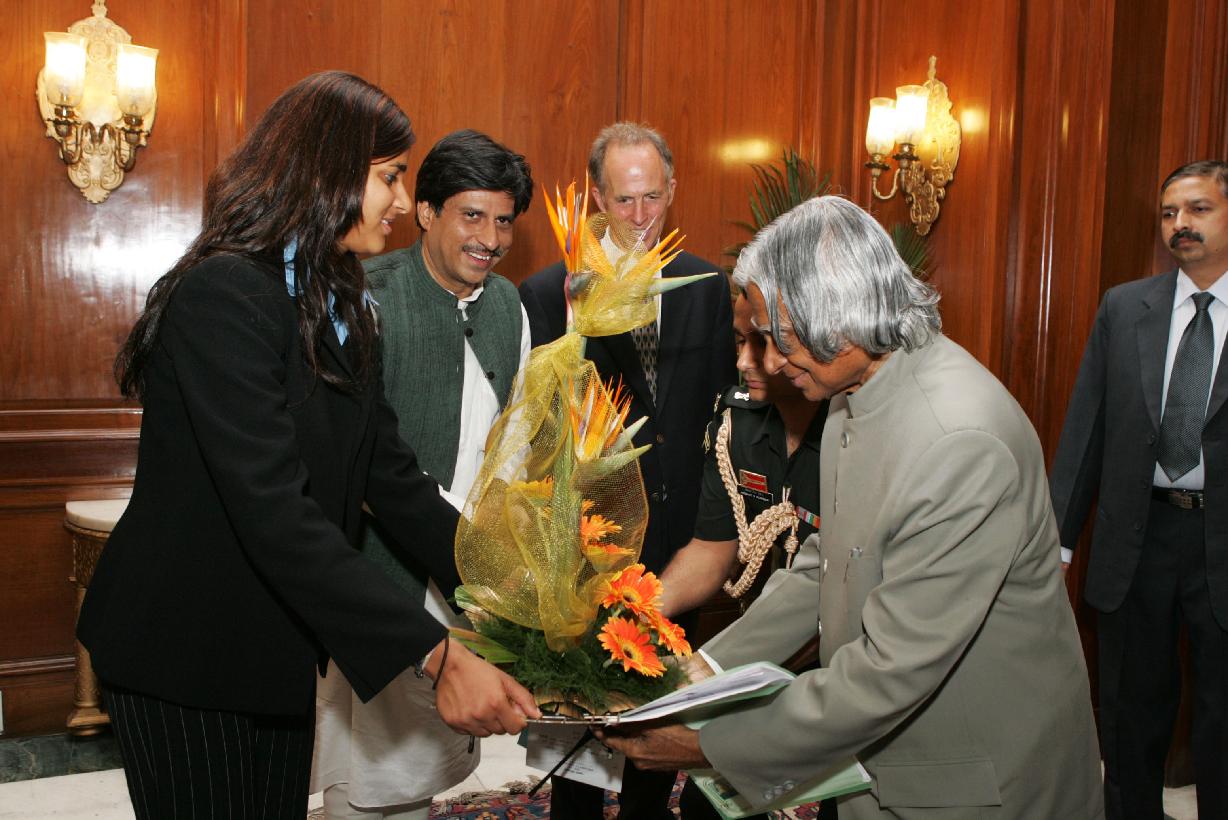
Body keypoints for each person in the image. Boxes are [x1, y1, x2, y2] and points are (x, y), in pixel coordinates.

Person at [77, 72, 539, 820]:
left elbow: (393, 479)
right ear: (329, 170)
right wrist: (437, 653)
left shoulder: (336, 300)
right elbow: (276, 513)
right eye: (390, 176)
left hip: (275, 646)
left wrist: (523, 591)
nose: (401, 201)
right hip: (186, 648)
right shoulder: (224, 294)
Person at [601, 196, 1104, 820]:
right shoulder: (852, 391)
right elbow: (828, 563)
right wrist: (703, 671)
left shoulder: (959, 442)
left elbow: (890, 670)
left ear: (841, 319)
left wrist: (709, 745)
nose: (768, 362)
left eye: (780, 339)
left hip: (975, 783)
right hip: (883, 764)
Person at [311, 129, 534, 820]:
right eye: (472, 215)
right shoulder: (364, 297)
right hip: (378, 572)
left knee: (423, 768)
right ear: (428, 212)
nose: (490, 239)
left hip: (467, 575)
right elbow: (359, 464)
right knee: (363, 766)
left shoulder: (509, 306)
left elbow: (516, 438)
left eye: (504, 221)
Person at [519, 122, 735, 819]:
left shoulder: (708, 286)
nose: (641, 217)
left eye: (653, 198)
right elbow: (535, 427)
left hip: (681, 541)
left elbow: (719, 412)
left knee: (660, 715)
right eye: (624, 200)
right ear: (596, 198)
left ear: (672, 190)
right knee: (580, 727)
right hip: (590, 540)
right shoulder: (552, 292)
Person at [1050, 159, 1228, 820]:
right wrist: (1058, 540)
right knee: (1130, 713)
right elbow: (1086, 425)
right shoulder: (1125, 307)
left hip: (1220, 539)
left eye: (1199, 209)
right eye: (1169, 213)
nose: (1180, 224)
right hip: (1137, 536)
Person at [660, 287, 829, 820]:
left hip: (847, 657)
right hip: (763, 646)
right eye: (739, 342)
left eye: (761, 342)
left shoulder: (855, 428)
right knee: (706, 804)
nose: (743, 361)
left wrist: (715, 670)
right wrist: (634, 612)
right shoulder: (739, 422)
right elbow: (712, 551)